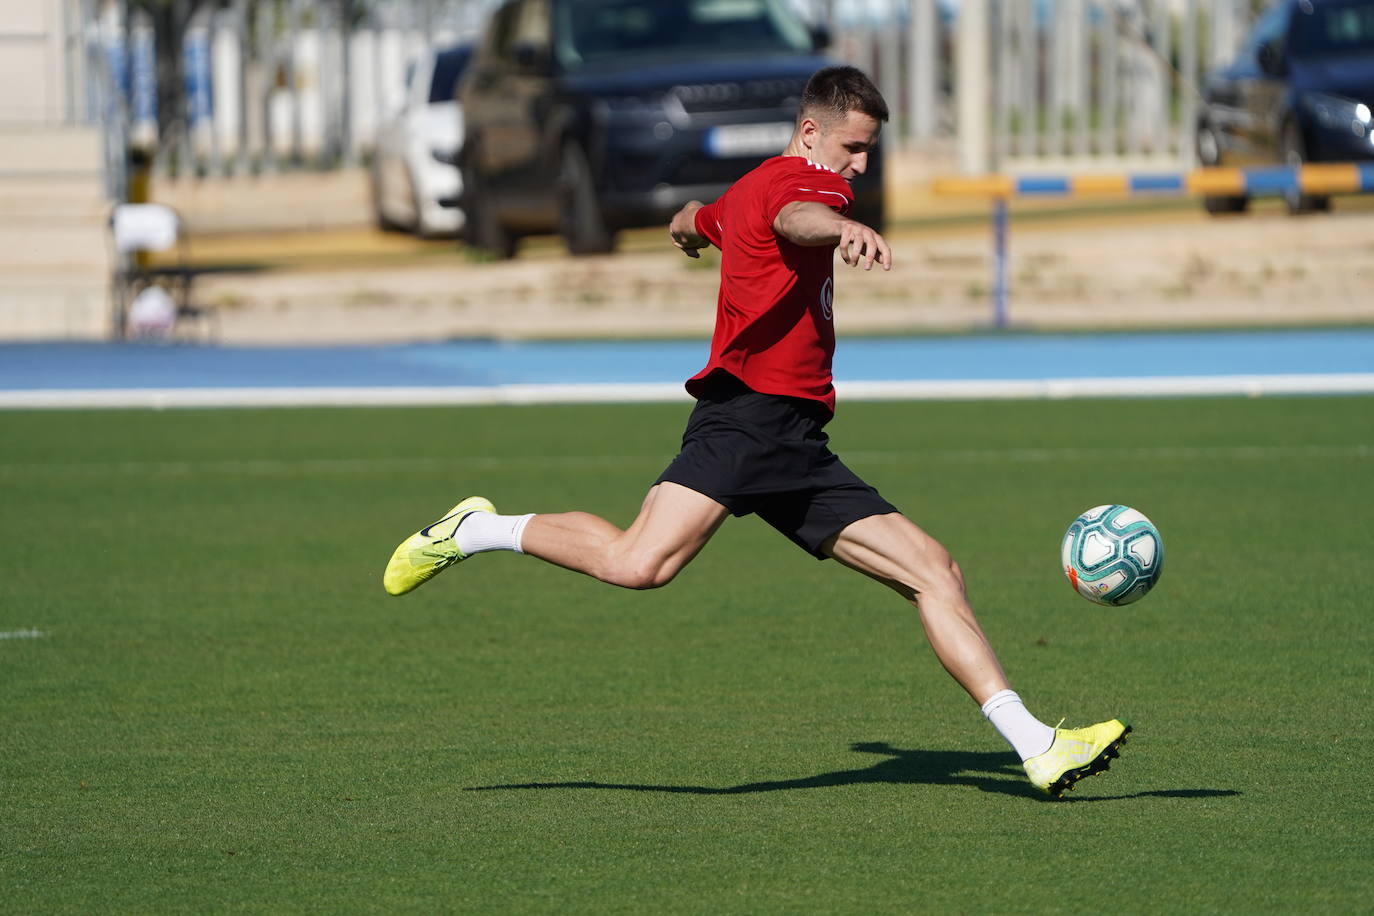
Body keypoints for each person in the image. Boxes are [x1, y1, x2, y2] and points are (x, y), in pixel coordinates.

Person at [382, 66, 1130, 798]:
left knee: (935, 571)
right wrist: (841, 225)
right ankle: (477, 530)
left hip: (794, 439)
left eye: (867, 151)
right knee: (636, 564)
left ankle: (1037, 746)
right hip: (746, 421)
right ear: (810, 133)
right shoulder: (812, 188)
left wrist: (687, 229)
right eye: (853, 147)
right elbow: (794, 219)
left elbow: (698, 216)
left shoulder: (747, 188)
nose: (859, 165)